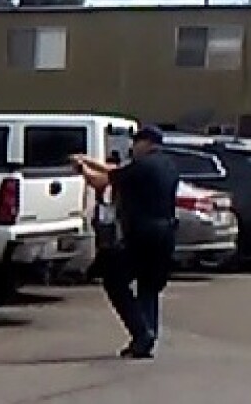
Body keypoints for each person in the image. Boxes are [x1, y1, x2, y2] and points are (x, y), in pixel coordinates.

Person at [71, 125, 179, 359]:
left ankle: (142, 333)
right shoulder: (166, 165)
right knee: (149, 286)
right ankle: (146, 338)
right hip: (166, 233)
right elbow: (116, 171)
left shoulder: (142, 167)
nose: (133, 147)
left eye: (136, 142)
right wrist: (89, 159)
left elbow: (101, 181)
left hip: (143, 234)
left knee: (114, 280)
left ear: (147, 143)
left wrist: (81, 169)